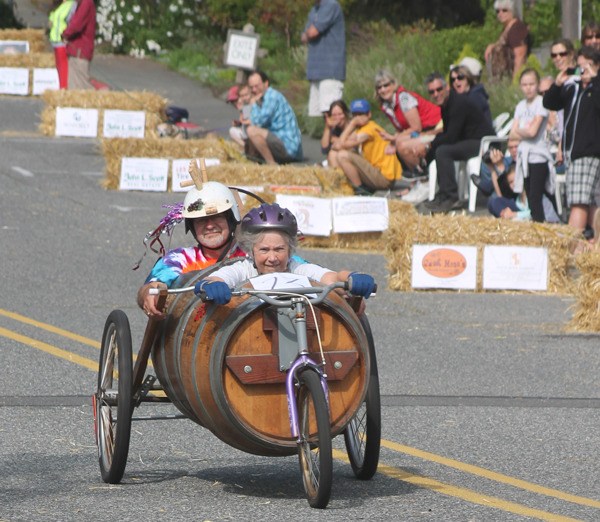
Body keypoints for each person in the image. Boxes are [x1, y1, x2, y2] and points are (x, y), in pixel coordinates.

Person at [193, 203, 375, 305]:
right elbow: (218, 279)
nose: (272, 258)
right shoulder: (243, 269)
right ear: (251, 251)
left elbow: (332, 278)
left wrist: (352, 277)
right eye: (264, 250)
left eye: (279, 249)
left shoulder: (296, 268)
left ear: (290, 250)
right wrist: (212, 286)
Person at [137, 181, 246, 319]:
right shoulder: (180, 258)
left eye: (217, 216)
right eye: (201, 220)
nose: (210, 226)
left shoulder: (250, 256)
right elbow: (151, 286)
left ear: (231, 219)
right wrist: (149, 294)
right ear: (192, 226)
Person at [418, 72, 495, 213]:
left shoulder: (458, 103)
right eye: (432, 92)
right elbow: (449, 133)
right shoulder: (446, 104)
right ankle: (442, 193)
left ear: (447, 88)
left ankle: (450, 196)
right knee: (440, 149)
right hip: (468, 139)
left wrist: (429, 145)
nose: (436, 94)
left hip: (482, 142)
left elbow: (450, 136)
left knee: (443, 151)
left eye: (439, 89)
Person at [543, 46, 600, 232]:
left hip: (587, 152)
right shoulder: (573, 89)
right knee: (592, 203)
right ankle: (593, 245)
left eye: (589, 66)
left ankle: (572, 246)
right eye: (581, 66)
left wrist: (595, 79)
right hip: (574, 153)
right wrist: (558, 84)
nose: (584, 71)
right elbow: (549, 103)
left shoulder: (595, 88)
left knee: (578, 202)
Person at [509, 68, 556, 223]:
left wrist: (520, 131)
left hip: (538, 156)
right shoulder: (520, 106)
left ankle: (544, 224)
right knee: (529, 195)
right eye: (524, 84)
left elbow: (533, 132)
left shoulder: (541, 104)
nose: (528, 88)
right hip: (524, 157)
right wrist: (523, 131)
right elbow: (512, 133)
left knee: (537, 196)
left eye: (531, 84)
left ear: (537, 85)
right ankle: (538, 224)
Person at [374, 69, 441, 173]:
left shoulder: (404, 98)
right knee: (392, 145)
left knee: (401, 145)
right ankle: (417, 176)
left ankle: (421, 175)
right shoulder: (387, 106)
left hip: (436, 127)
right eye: (379, 87)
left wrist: (395, 139)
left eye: (386, 85)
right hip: (423, 131)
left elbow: (416, 127)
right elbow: (405, 129)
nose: (383, 90)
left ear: (393, 85)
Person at [333, 98, 403, 195]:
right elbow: (337, 145)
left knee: (342, 155)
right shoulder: (362, 128)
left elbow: (341, 145)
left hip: (384, 178)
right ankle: (341, 185)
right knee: (333, 154)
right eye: (355, 115)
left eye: (361, 114)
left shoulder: (370, 129)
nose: (358, 118)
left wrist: (352, 124)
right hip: (376, 172)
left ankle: (360, 189)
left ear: (369, 114)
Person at [245, 70, 303, 164]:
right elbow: (246, 119)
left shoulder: (271, 97)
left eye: (257, 86)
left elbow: (258, 122)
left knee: (251, 131)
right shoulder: (258, 98)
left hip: (287, 146)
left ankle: (271, 163)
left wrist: (253, 104)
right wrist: (246, 106)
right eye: (251, 87)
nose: (254, 90)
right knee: (236, 131)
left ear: (266, 83)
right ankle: (254, 161)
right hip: (275, 138)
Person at [301, 0, 346, 117]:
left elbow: (312, 32)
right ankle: (326, 136)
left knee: (332, 114)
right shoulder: (314, 9)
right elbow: (304, 37)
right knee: (316, 115)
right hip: (315, 72)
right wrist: (308, 33)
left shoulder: (331, 5)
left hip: (330, 70)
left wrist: (309, 33)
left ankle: (338, 136)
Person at [484, 0, 529, 81]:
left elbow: (520, 56)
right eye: (498, 11)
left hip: (511, 77)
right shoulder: (507, 28)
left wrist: (515, 81)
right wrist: (492, 46)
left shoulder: (517, 28)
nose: (500, 14)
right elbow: (503, 44)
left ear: (512, 11)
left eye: (505, 10)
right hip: (502, 78)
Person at [61, 0, 96, 90]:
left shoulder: (86, 3)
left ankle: (103, 96)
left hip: (80, 51)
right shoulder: (81, 3)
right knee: (75, 86)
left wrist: (65, 34)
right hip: (76, 50)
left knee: (81, 86)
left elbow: (76, 24)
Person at [48, 0, 75, 89]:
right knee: (58, 66)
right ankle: (60, 86)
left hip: (63, 41)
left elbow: (72, 22)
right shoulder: (58, 4)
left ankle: (63, 88)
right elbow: (51, 21)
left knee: (63, 67)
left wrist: (67, 36)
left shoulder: (71, 5)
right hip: (55, 40)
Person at [320, 99, 351, 168]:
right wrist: (327, 127)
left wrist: (337, 140)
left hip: (350, 157)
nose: (337, 118)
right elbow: (324, 149)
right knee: (331, 154)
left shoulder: (352, 126)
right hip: (338, 158)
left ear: (345, 114)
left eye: (340, 114)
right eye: (334, 115)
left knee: (332, 154)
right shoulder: (334, 129)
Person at [228, 84, 253, 149]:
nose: (235, 103)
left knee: (232, 131)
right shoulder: (244, 108)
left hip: (253, 135)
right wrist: (239, 123)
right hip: (249, 135)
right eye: (232, 102)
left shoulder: (247, 107)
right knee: (233, 130)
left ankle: (248, 149)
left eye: (236, 100)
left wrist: (242, 122)